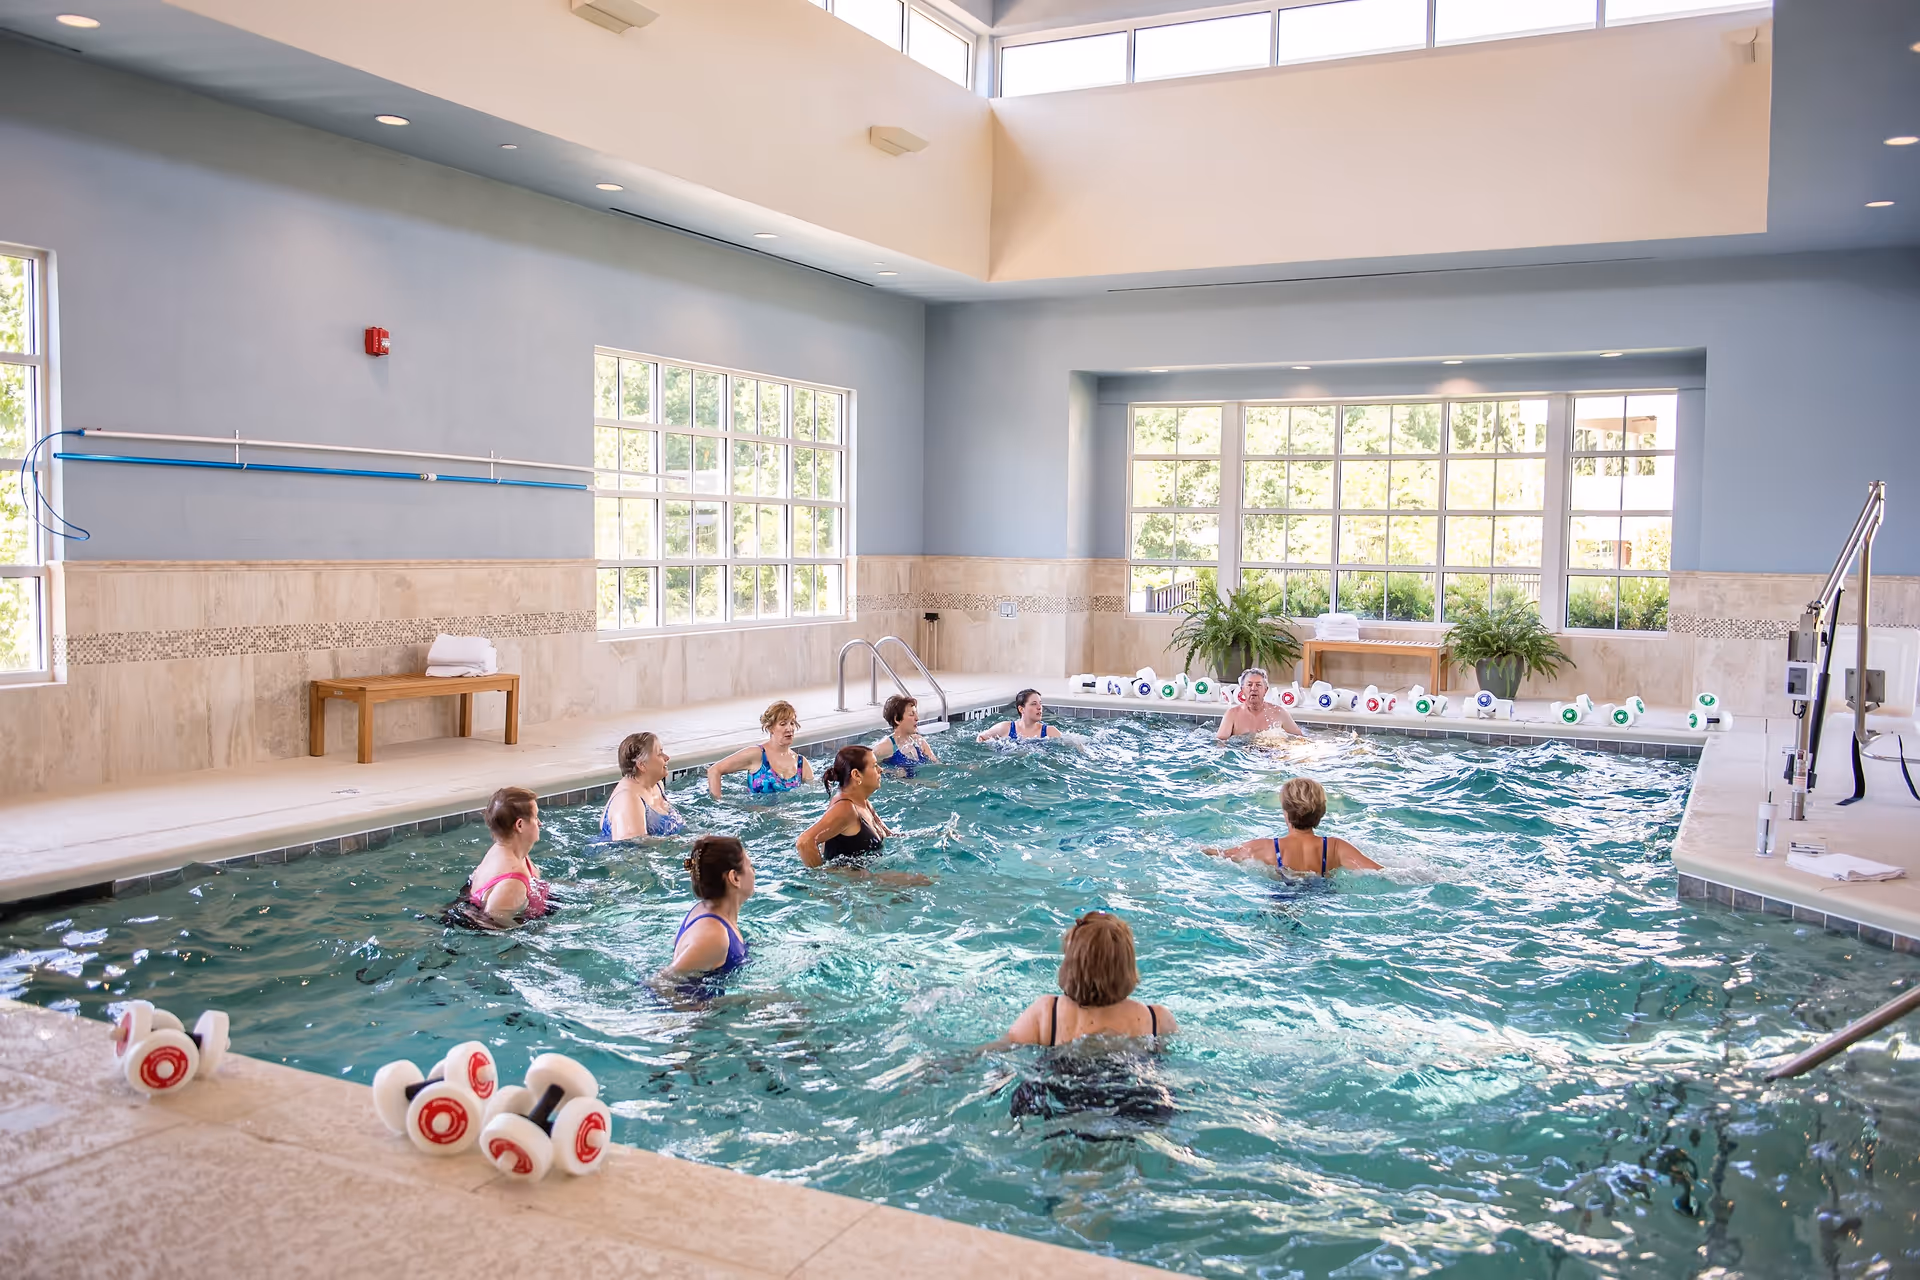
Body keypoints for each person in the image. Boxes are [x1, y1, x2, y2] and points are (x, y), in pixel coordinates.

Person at [997, 912, 1176, 1047]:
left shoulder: (1047, 1012)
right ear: (1128, 966)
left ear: (1070, 965)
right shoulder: (1157, 1019)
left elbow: (1004, 1047)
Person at [1204, 777, 1380, 874]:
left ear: (1286, 813)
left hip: (1283, 896)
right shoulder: (1335, 847)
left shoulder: (1266, 847)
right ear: (1322, 812)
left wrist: (1198, 848)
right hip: (1322, 899)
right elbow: (1379, 871)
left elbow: (1221, 854)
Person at [664, 835, 753, 978]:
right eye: (750, 866)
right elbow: (661, 984)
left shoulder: (704, 910)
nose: (753, 872)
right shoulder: (714, 935)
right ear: (734, 878)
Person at [461, 786, 551, 926]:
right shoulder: (512, 882)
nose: (540, 823)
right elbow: (494, 926)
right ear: (520, 825)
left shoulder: (514, 852)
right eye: (535, 817)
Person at [796, 745, 893, 865]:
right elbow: (804, 842)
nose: (881, 769)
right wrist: (822, 878)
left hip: (868, 873)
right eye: (874, 766)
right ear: (856, 774)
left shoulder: (863, 802)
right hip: (852, 880)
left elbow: (890, 835)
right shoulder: (845, 808)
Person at [707, 700, 813, 799]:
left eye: (792, 723)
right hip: (758, 814)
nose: (789, 728)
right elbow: (714, 770)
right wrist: (718, 803)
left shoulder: (801, 763)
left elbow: (814, 792)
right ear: (770, 727)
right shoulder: (757, 754)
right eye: (783, 724)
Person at [603, 731, 686, 839]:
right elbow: (631, 847)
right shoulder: (628, 799)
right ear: (642, 765)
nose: (667, 757)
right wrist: (679, 843)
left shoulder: (657, 785)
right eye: (659, 753)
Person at [1215, 667, 1306, 741]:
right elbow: (1220, 743)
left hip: (1272, 756)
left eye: (1258, 685)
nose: (1253, 688)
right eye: (1249, 685)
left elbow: (1300, 739)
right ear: (1242, 690)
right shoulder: (1232, 714)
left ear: (1265, 690)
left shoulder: (1280, 712)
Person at [873, 694, 940, 776]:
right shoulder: (884, 747)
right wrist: (892, 772)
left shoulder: (919, 741)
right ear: (897, 719)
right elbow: (866, 769)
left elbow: (937, 764)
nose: (917, 718)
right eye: (912, 714)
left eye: (916, 713)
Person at [975, 689, 1064, 743]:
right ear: (1021, 709)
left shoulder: (1050, 732)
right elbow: (981, 737)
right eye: (1033, 704)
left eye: (1040, 703)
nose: (1039, 707)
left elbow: (1070, 744)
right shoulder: (1005, 728)